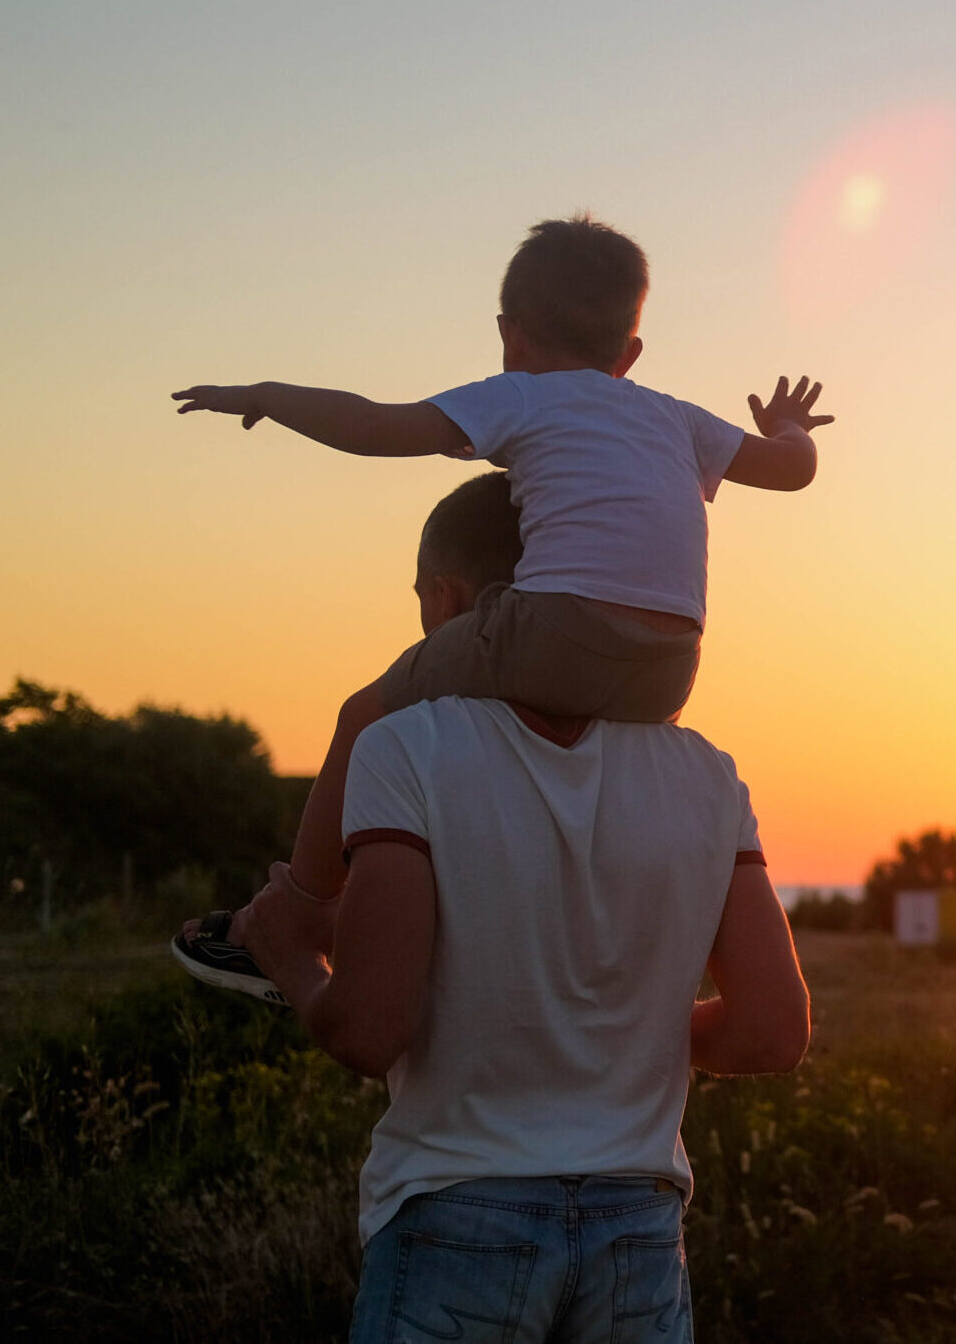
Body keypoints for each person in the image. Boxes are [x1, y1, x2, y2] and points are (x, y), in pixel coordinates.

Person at [168, 215, 832, 991]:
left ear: (510, 334)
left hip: (551, 631)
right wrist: (787, 423)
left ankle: (297, 917)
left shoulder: (522, 397)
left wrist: (269, 396)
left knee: (362, 714)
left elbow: (378, 426)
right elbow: (793, 470)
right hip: (670, 669)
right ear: (629, 354)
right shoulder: (676, 416)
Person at [233, 471, 811, 1340]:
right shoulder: (705, 773)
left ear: (445, 596)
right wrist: (615, 1029)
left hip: (455, 1222)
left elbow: (368, 1028)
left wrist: (289, 958)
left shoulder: (405, 747)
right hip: (640, 1241)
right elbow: (773, 1028)